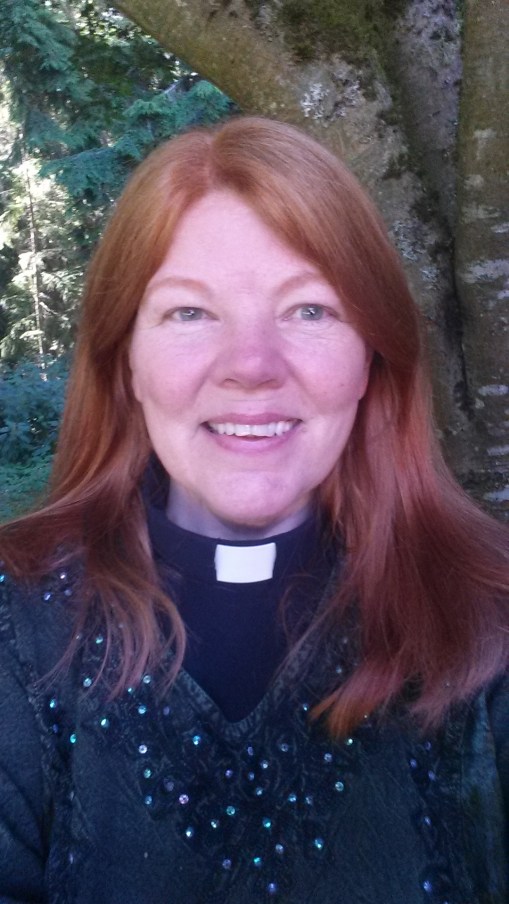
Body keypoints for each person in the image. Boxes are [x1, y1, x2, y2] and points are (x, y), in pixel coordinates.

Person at [0, 116, 507, 904]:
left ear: (371, 357)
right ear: (124, 360)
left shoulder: (488, 612)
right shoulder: (14, 626)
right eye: (189, 312)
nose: (250, 367)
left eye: (309, 310)